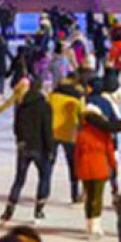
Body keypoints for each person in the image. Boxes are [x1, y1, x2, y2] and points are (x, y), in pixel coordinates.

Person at [2, 80, 55, 223]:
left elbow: (16, 127)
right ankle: (39, 210)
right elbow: (47, 130)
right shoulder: (45, 106)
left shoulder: (21, 105)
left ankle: (9, 210)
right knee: (44, 177)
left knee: (19, 179)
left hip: (24, 147)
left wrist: (20, 140)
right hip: (40, 148)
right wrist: (50, 149)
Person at [76, 104, 120, 238]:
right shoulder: (104, 133)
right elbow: (110, 151)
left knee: (89, 197)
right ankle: (95, 225)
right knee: (97, 197)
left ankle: (89, 223)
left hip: (84, 167)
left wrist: (76, 169)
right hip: (100, 167)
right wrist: (114, 166)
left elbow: (77, 153)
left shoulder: (81, 133)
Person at [47, 76, 86, 204]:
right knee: (72, 165)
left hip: (52, 133)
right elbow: (83, 117)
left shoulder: (52, 96)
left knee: (49, 163)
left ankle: (44, 192)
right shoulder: (76, 99)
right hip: (70, 135)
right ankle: (74, 194)